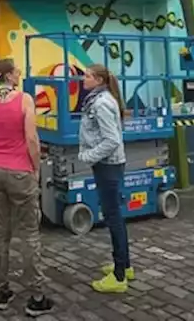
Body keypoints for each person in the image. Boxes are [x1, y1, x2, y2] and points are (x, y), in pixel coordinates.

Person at [0, 59, 54, 317]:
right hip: (20, 172)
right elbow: (31, 138)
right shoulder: (25, 100)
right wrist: (36, 167)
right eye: (16, 71)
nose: (19, 74)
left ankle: (2, 290)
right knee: (29, 233)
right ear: (8, 75)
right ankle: (37, 296)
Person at [78, 63, 132, 294]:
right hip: (108, 165)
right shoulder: (101, 99)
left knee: (113, 217)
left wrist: (89, 155)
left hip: (107, 166)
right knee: (114, 215)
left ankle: (119, 276)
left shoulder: (101, 103)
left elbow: (111, 140)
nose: (83, 79)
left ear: (99, 80)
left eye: (88, 76)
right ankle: (125, 265)